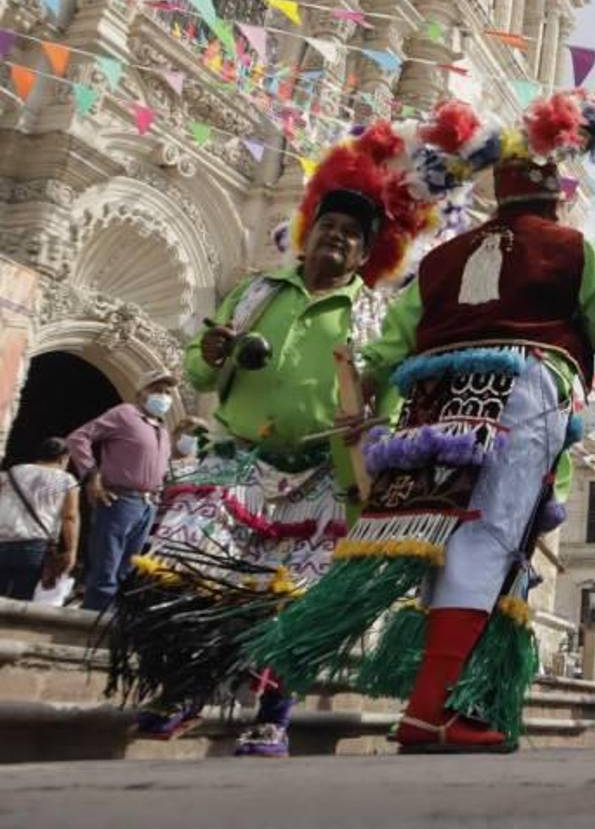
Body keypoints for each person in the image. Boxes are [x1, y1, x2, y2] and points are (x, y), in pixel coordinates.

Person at [248, 89, 595, 754]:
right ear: (555, 190)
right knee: (487, 539)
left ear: (497, 191)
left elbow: (383, 351)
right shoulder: (575, 249)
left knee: (432, 541)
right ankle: (429, 707)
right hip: (521, 397)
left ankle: (444, 700)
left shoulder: (438, 260)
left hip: (432, 404)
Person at [103, 104, 465, 754]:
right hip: (235, 458)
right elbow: (200, 369)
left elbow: (381, 396)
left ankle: (273, 711)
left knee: (289, 598)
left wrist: (370, 441)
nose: (336, 239)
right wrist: (206, 356)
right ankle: (184, 686)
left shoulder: (370, 317)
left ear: (363, 253)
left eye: (351, 236)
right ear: (308, 233)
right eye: (328, 226)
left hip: (321, 477)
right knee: (188, 565)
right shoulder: (256, 293)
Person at [64, 371, 177, 613]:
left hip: (148, 505)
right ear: (141, 392)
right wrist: (92, 477)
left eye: (168, 392)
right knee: (106, 569)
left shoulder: (163, 430)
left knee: (127, 571)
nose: (163, 396)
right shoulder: (125, 414)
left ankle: (113, 625)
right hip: (120, 500)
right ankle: (91, 627)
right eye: (157, 390)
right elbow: (78, 438)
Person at [0, 438, 79, 599]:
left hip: (2, 541)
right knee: (20, 599)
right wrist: (71, 551)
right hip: (34, 547)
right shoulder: (66, 480)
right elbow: (69, 517)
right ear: (63, 458)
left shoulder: (14, 471)